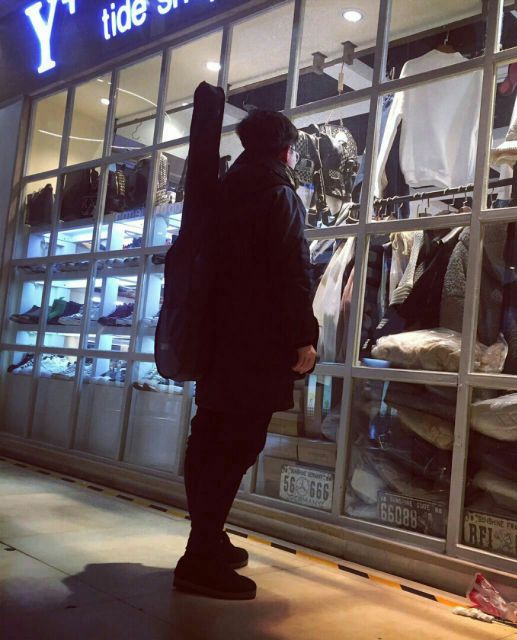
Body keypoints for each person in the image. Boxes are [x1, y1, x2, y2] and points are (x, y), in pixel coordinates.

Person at [173, 109, 319, 600]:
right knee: (235, 444)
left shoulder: (223, 190)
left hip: (216, 340)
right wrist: (303, 336)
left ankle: (207, 538)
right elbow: (291, 271)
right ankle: (199, 555)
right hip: (255, 345)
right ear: (286, 150)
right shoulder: (278, 194)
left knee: (211, 436)